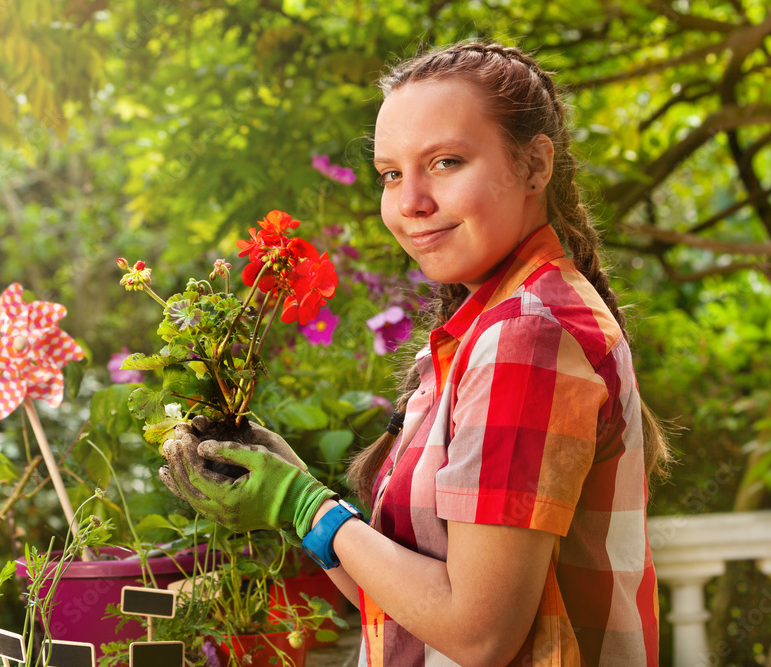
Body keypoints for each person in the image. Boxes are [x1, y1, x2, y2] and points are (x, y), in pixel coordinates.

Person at [160, 41, 672, 666]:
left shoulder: (527, 335)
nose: (410, 203)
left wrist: (303, 503)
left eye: (447, 162)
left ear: (535, 165)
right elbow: (405, 606)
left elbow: (479, 634)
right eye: (392, 174)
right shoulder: (481, 334)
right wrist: (292, 497)